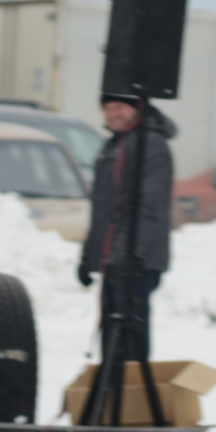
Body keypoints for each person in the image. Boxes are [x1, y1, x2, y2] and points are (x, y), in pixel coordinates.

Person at [78, 94, 177, 365]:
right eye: (107, 108)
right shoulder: (114, 146)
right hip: (114, 259)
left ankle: (132, 395)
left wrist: (127, 255)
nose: (112, 114)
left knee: (131, 336)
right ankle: (112, 393)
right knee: (112, 336)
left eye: (119, 107)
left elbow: (148, 207)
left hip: (138, 261)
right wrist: (89, 256)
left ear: (136, 108)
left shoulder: (150, 144)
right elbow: (103, 210)